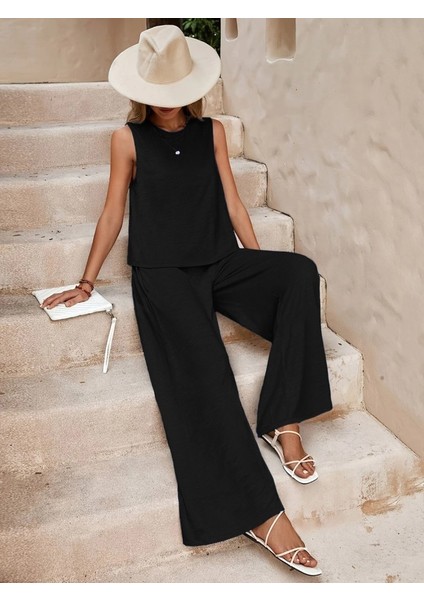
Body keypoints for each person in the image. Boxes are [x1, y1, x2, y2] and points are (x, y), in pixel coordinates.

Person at [41, 25, 333, 577]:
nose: (167, 98)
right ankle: (259, 514)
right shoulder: (127, 140)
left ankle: (282, 420)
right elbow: (113, 211)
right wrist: (87, 281)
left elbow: (234, 202)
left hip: (219, 261)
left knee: (298, 273)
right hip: (164, 276)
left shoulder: (212, 131)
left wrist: (258, 267)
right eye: (158, 88)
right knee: (207, 373)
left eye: (175, 87)